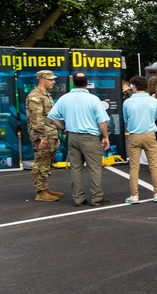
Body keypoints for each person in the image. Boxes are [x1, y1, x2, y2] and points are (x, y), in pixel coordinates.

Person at [47, 72, 111, 207]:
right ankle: (96, 197)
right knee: (94, 168)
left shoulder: (65, 98)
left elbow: (52, 116)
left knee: (76, 168)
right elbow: (102, 122)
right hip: (90, 137)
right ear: (87, 83)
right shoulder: (93, 99)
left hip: (73, 136)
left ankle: (78, 198)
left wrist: (63, 127)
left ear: (74, 83)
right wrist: (105, 137)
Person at [122, 76, 157, 204]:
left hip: (134, 135)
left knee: (134, 167)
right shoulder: (154, 101)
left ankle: (134, 195)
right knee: (154, 166)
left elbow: (125, 118)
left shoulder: (127, 102)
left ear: (134, 85)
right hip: (150, 134)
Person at [26, 70, 63, 202]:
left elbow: (50, 117)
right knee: (41, 161)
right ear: (42, 79)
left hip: (50, 133)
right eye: (50, 79)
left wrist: (62, 129)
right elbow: (36, 119)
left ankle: (45, 188)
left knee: (46, 161)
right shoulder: (35, 96)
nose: (53, 81)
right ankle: (40, 192)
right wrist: (43, 136)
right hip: (43, 135)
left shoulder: (46, 95)